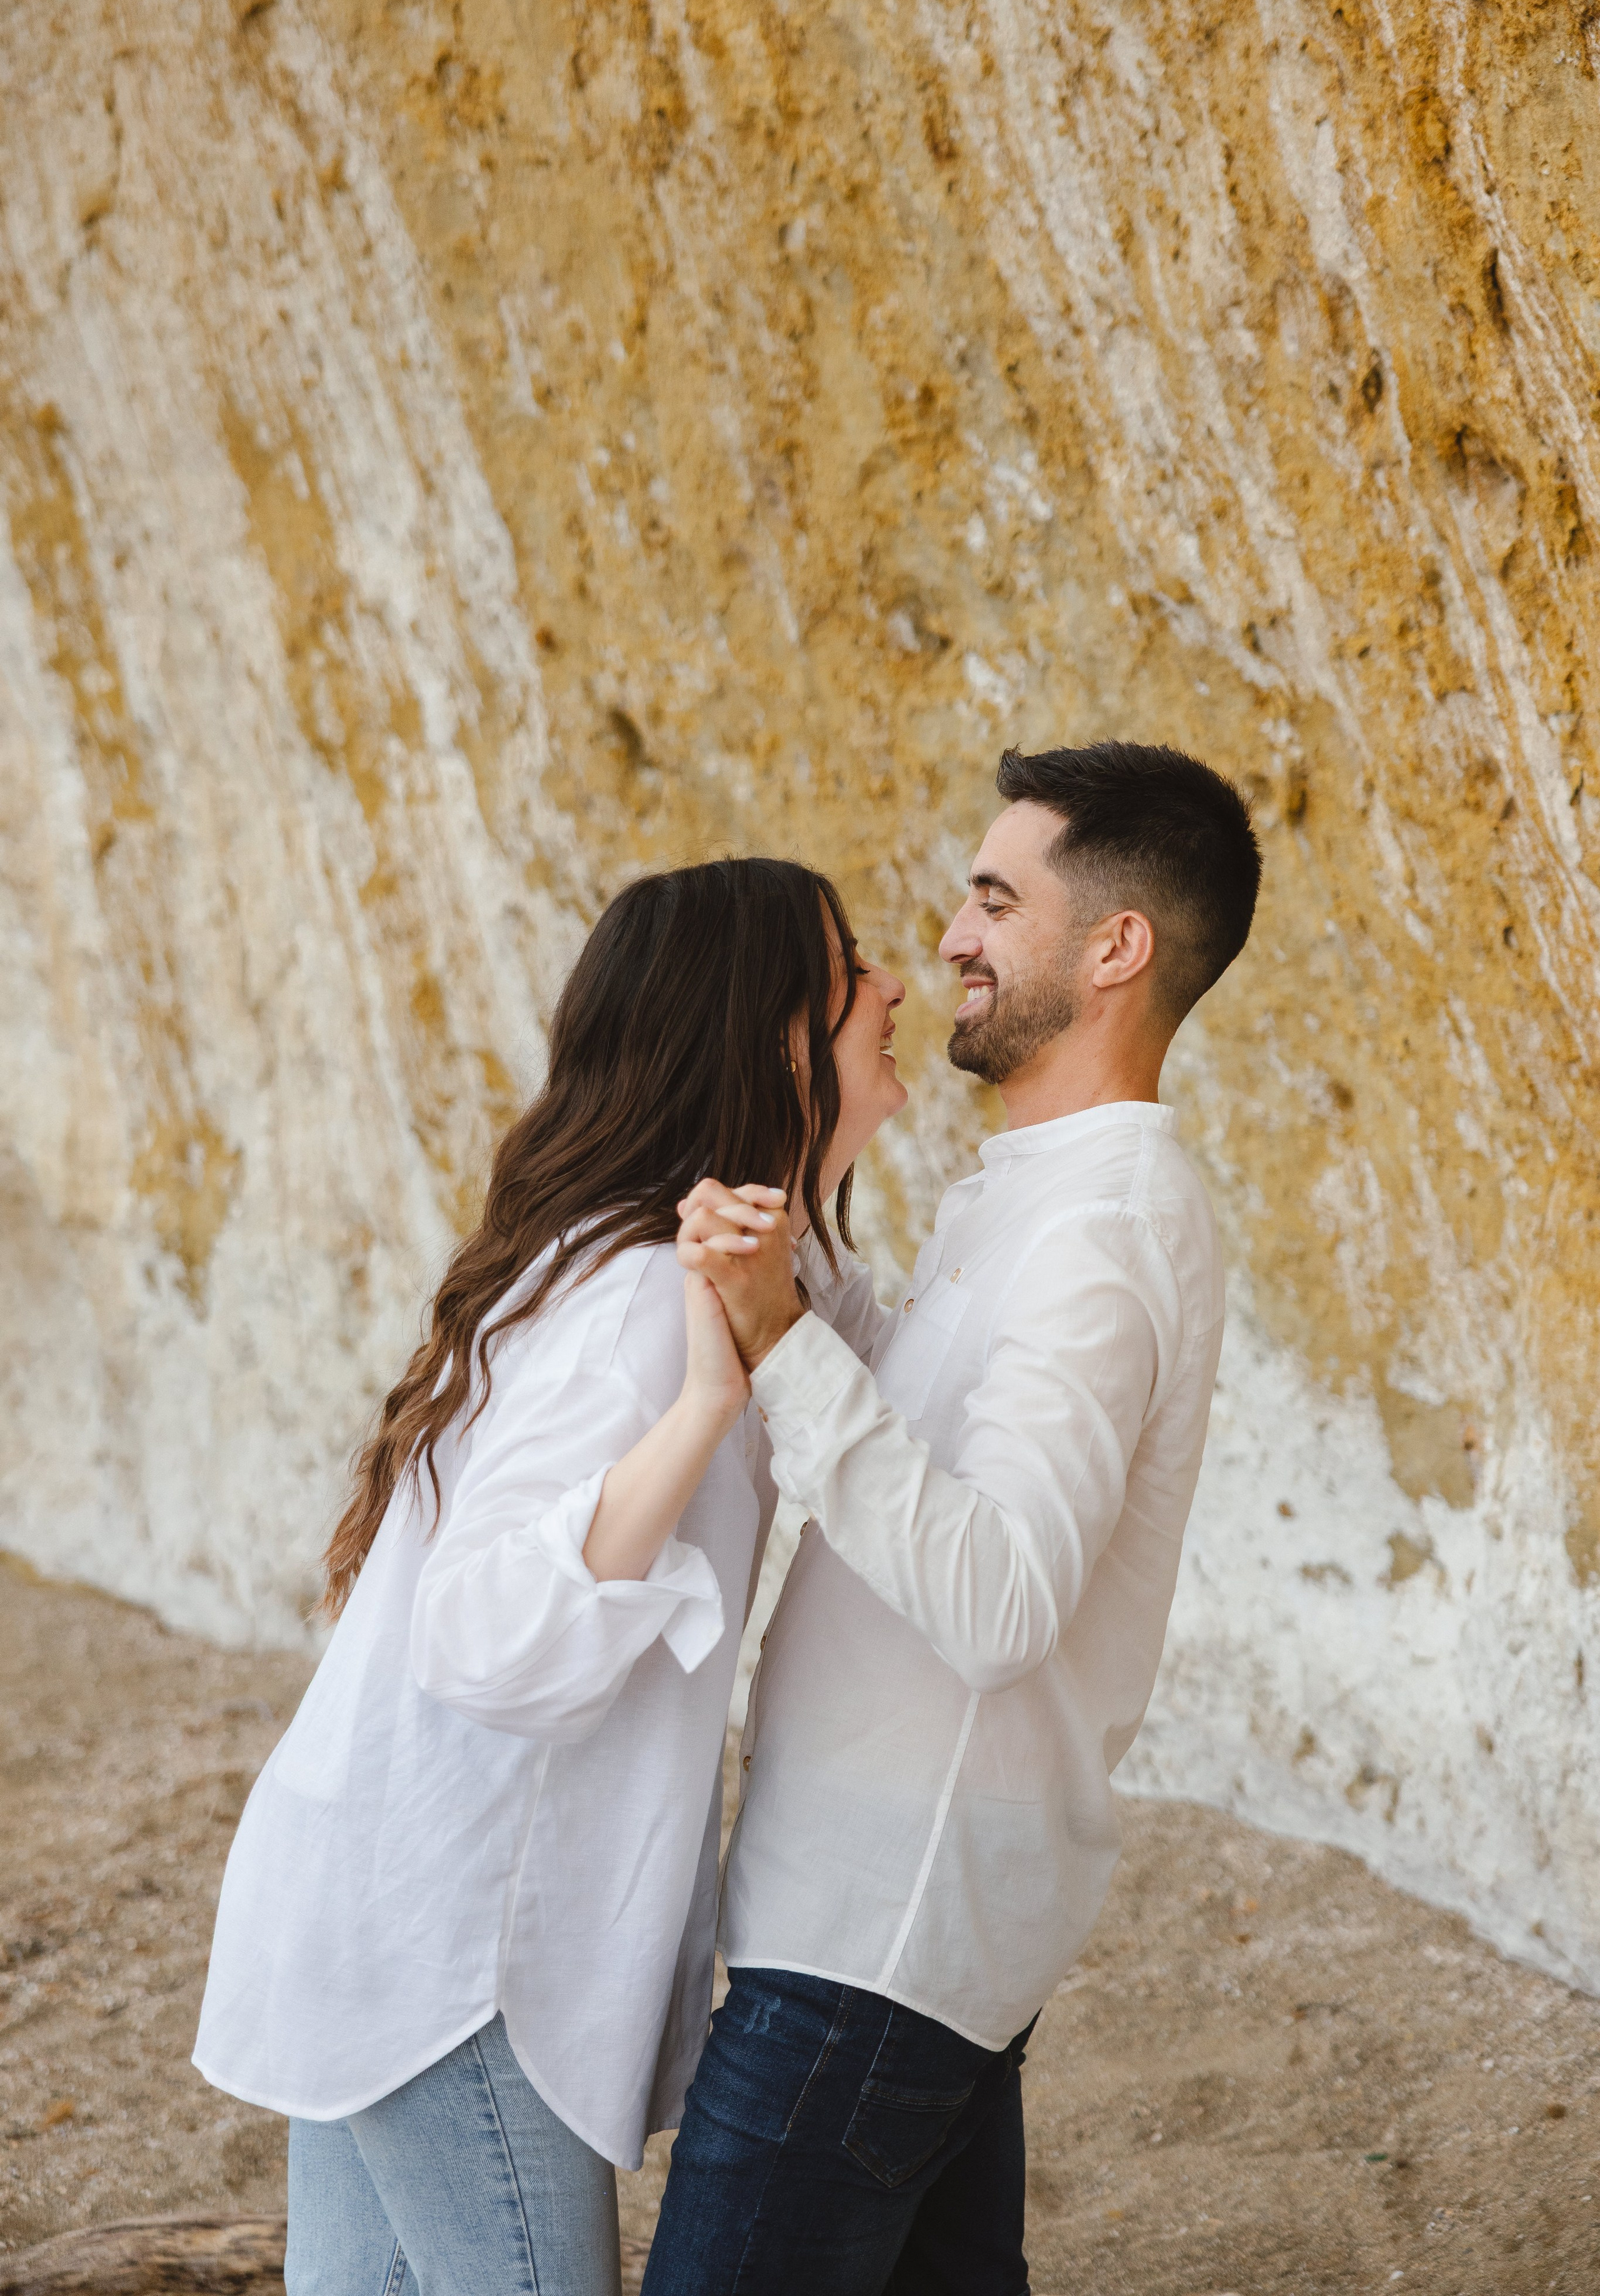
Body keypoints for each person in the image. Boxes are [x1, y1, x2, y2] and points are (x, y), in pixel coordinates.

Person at [191, 858, 909, 2296]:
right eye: (850, 971)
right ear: (774, 1033)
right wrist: (700, 1406)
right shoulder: (647, 1301)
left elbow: (887, 1389)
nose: (891, 989)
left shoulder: (716, 1270)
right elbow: (480, 1635)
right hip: (453, 1959)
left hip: (383, 1904)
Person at [649, 741, 1262, 2296]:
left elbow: (995, 1601)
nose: (948, 939)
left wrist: (780, 1337)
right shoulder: (1046, 1193)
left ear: (1111, 948)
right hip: (898, 1931)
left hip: (876, 1944)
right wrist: (804, 1282)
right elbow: (929, 1441)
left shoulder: (1102, 1230)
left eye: (997, 899)